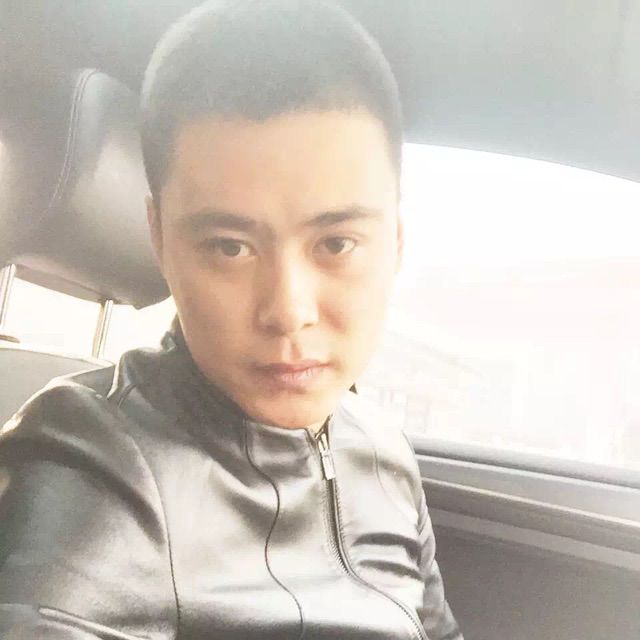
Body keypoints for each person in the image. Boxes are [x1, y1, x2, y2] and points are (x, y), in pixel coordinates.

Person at [0, 1, 463, 638]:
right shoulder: (94, 463)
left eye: (336, 243)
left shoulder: (384, 451)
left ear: (396, 242)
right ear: (160, 239)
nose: (288, 312)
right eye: (229, 247)